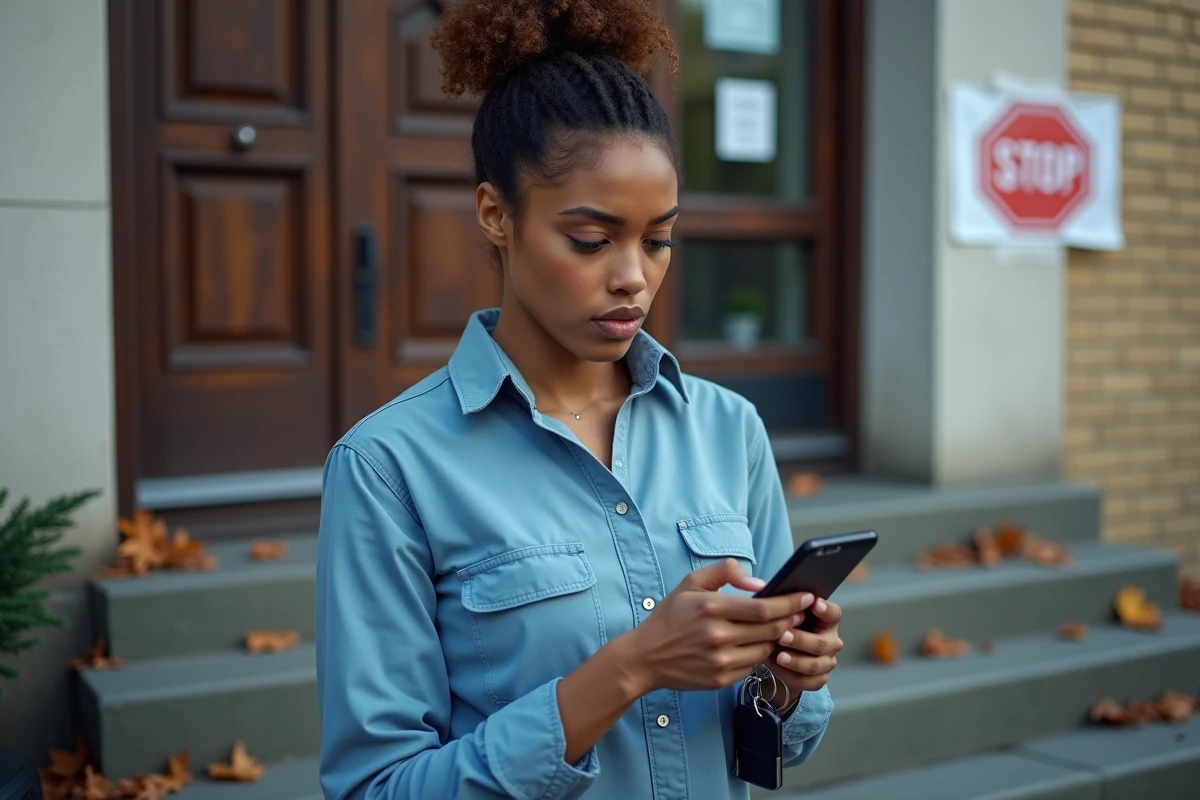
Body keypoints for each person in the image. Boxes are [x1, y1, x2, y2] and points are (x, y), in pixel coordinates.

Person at [314, 1, 843, 798]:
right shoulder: (389, 468)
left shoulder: (728, 429)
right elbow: (375, 787)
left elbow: (772, 746)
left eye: (658, 238)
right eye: (592, 240)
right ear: (497, 215)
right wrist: (630, 669)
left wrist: (787, 679)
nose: (633, 274)